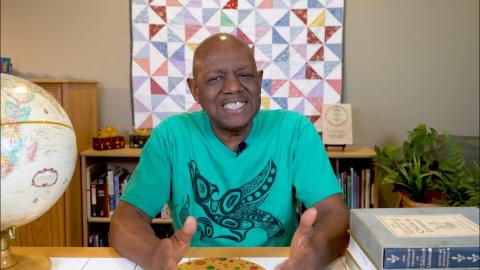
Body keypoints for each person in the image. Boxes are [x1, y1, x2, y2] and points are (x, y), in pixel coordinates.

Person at [110, 33, 349, 270]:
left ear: (259, 81)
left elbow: (333, 214)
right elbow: (126, 220)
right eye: (215, 78)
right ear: (194, 89)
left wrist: (312, 255)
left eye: (245, 75)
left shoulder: (294, 131)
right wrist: (153, 254)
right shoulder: (171, 136)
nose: (234, 87)